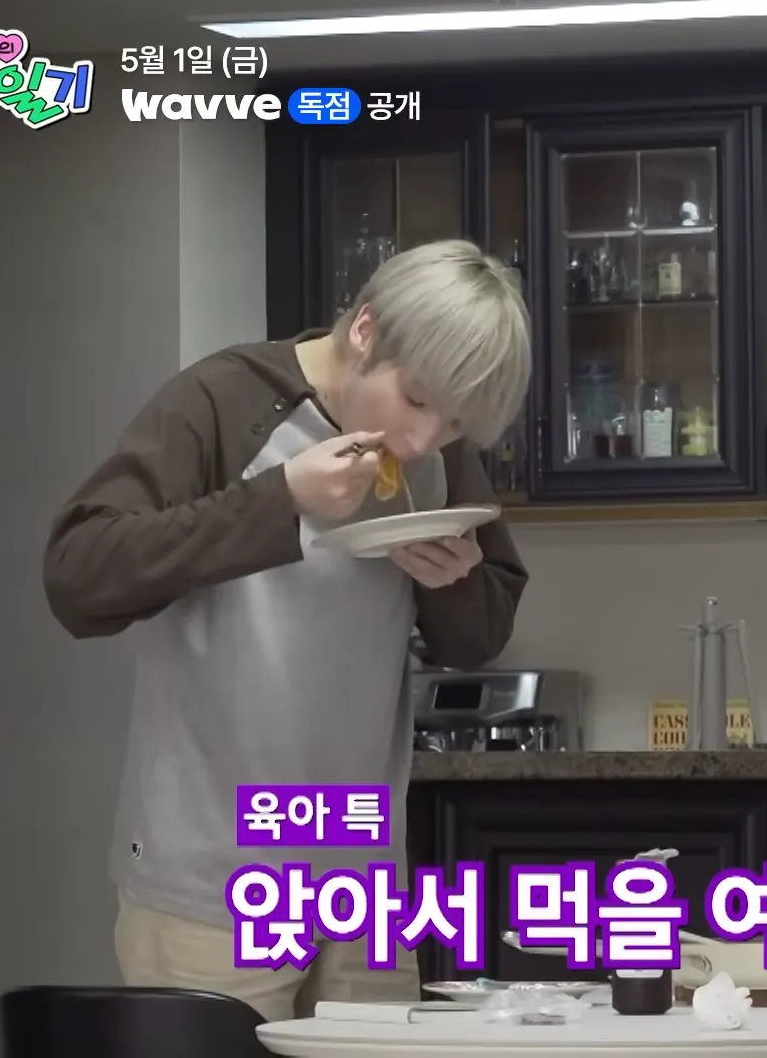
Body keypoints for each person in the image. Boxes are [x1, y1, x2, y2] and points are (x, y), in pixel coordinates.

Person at [43, 239, 533, 1022]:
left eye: (452, 426)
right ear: (365, 331)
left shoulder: (435, 460)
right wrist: (281, 500)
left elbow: (475, 639)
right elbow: (78, 575)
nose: (421, 441)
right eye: (415, 401)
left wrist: (456, 580)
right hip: (210, 888)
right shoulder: (223, 401)